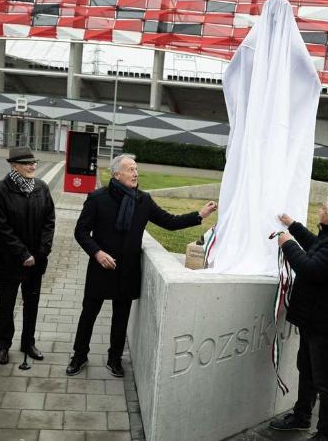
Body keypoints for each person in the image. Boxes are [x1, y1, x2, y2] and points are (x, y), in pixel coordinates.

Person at [67, 154, 217, 377]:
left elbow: (169, 222)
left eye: (136, 169)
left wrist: (199, 215)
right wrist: (97, 253)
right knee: (89, 313)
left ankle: (114, 359)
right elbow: (81, 232)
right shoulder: (97, 198)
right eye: (130, 169)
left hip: (127, 270)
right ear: (117, 174)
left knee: (121, 317)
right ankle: (79, 355)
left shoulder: (142, 200)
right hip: (101, 267)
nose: (135, 173)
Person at [268, 194, 328, 441]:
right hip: (316, 319)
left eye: (322, 209)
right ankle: (301, 416)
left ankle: (326, 434)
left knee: (325, 381)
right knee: (307, 370)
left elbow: (311, 269)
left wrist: (287, 243)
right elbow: (317, 248)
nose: (319, 211)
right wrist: (293, 226)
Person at [0, 147, 55, 365]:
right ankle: (3, 346)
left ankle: (28, 342)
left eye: (33, 162)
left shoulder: (41, 188)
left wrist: (42, 251)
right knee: (7, 303)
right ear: (14, 165)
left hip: (37, 260)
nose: (32, 166)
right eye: (27, 163)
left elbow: (49, 221)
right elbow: (2, 229)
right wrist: (23, 253)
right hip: (10, 261)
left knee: (32, 302)